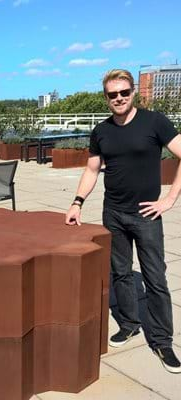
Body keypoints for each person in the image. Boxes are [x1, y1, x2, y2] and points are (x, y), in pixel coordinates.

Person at [65, 69, 181, 373]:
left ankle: (162, 340)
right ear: (106, 97)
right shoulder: (101, 131)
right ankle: (129, 324)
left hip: (146, 214)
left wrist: (170, 199)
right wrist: (77, 202)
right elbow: (92, 170)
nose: (118, 98)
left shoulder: (154, 122)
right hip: (112, 214)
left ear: (133, 93)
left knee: (155, 277)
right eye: (112, 94)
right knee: (120, 272)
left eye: (123, 92)